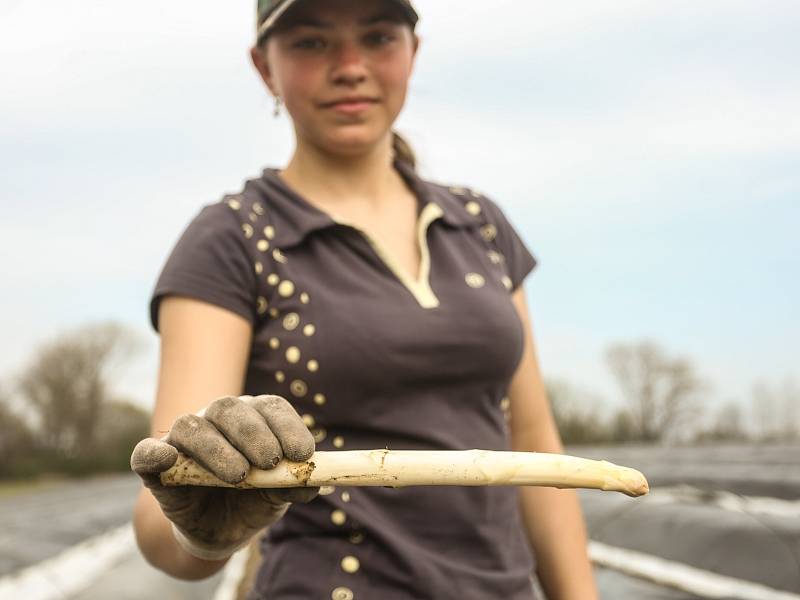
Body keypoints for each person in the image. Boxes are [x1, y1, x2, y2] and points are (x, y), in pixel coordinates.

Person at [130, 0, 600, 598]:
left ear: (413, 52)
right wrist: (204, 532)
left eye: (378, 36)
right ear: (264, 67)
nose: (350, 66)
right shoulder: (231, 239)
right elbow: (161, 502)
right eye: (311, 42)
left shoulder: (481, 224)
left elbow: (537, 449)